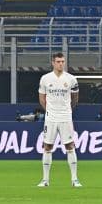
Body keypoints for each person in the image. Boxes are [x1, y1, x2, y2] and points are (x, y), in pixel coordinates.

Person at [36, 52, 81, 188]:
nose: (61, 64)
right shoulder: (45, 79)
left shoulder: (71, 79)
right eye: (58, 61)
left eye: (62, 61)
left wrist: (68, 110)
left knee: (70, 146)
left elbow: (75, 98)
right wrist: (49, 110)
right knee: (47, 146)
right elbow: (42, 97)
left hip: (66, 117)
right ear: (53, 63)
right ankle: (45, 180)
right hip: (51, 118)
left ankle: (74, 179)